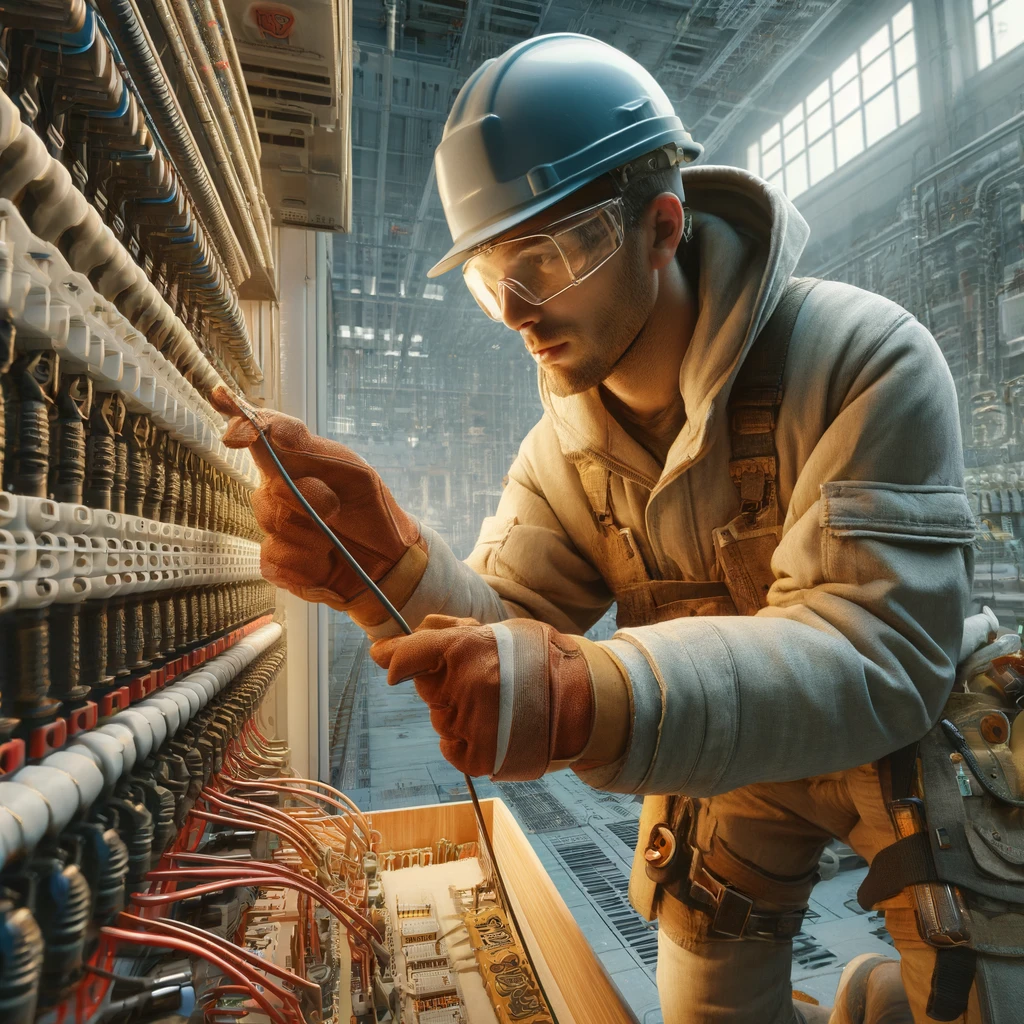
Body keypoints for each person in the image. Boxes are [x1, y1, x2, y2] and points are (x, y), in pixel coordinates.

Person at [213, 33, 993, 1024]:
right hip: (737, 759)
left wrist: (592, 692)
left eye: (554, 252)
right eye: (492, 271)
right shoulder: (566, 452)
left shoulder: (859, 360)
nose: (518, 309)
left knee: (976, 990)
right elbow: (507, 627)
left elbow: (875, 657)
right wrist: (391, 563)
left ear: (662, 226)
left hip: (906, 750)